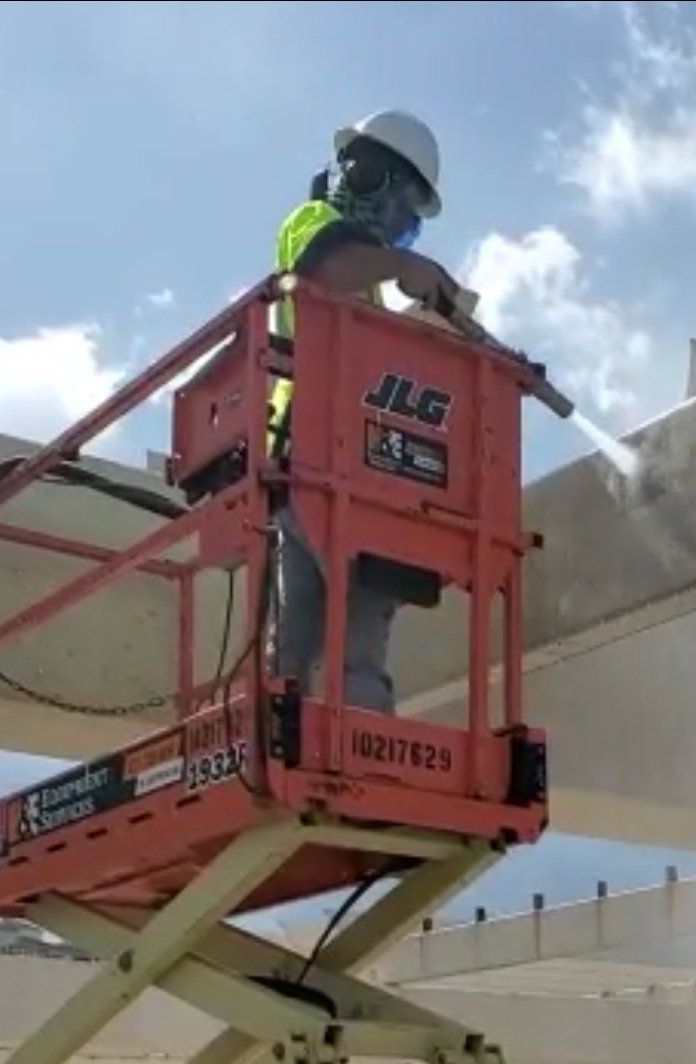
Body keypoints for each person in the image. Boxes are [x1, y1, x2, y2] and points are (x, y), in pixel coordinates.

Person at [267, 111, 462, 715]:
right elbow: (322, 270)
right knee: (366, 583)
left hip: (321, 458)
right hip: (319, 452)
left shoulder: (368, 284)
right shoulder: (314, 225)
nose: (400, 234)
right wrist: (405, 268)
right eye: (404, 215)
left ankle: (284, 729)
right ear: (372, 176)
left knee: (301, 625)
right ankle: (360, 739)